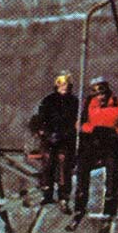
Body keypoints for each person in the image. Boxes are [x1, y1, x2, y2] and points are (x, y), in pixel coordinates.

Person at [69, 76, 118, 228]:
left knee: (112, 173)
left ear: (107, 91)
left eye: (103, 92)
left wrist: (113, 131)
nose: (100, 96)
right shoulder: (89, 104)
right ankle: (80, 206)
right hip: (94, 144)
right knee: (82, 167)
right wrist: (91, 129)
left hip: (112, 144)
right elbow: (79, 124)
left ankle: (109, 210)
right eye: (97, 93)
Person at [34, 71, 78, 212]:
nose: (64, 87)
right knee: (48, 158)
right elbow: (40, 119)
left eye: (66, 84)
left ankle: (63, 195)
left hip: (66, 138)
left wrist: (67, 133)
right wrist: (46, 133)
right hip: (50, 138)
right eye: (61, 84)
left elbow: (74, 121)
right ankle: (47, 192)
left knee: (64, 161)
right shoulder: (48, 101)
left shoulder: (74, 101)